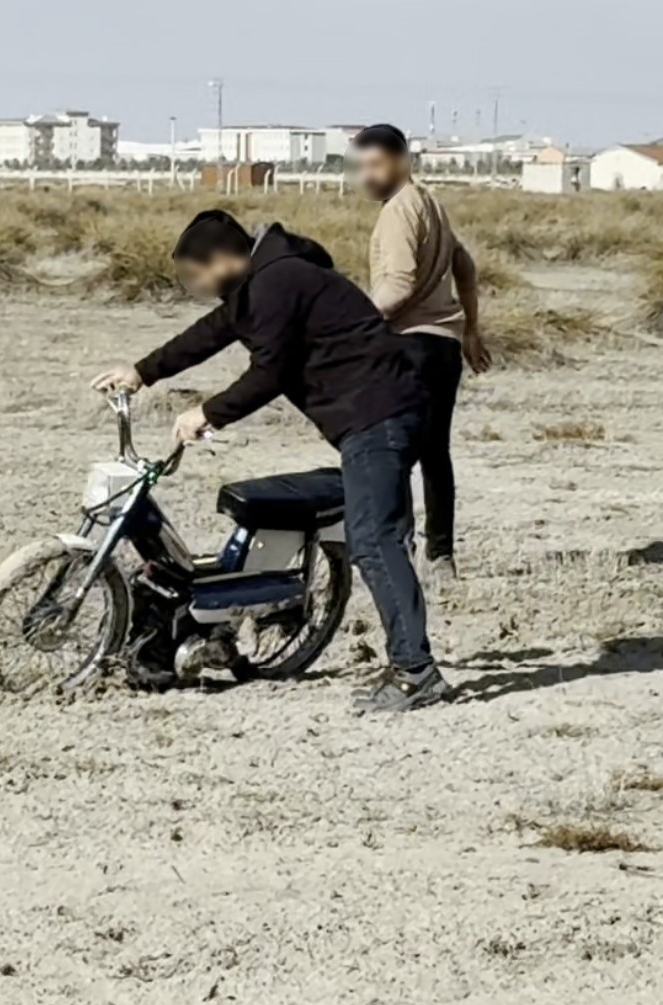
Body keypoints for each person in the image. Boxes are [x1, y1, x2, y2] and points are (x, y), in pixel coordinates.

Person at [88, 210, 450, 714]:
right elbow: (212, 332)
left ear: (224, 258)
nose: (198, 285)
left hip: (380, 414)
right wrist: (143, 372)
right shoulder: (261, 282)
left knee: (373, 540)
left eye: (198, 273)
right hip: (372, 415)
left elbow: (271, 372)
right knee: (375, 536)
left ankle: (415, 673)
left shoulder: (279, 281)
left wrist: (208, 413)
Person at [352, 123, 490, 589]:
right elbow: (465, 266)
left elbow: (399, 285)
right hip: (443, 347)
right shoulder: (430, 203)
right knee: (435, 453)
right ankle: (442, 556)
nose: (366, 176)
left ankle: (396, 552)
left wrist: (352, 326)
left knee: (392, 452)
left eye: (375, 165)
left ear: (400, 161)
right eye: (360, 167)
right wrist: (470, 329)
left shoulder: (398, 210)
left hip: (406, 345)